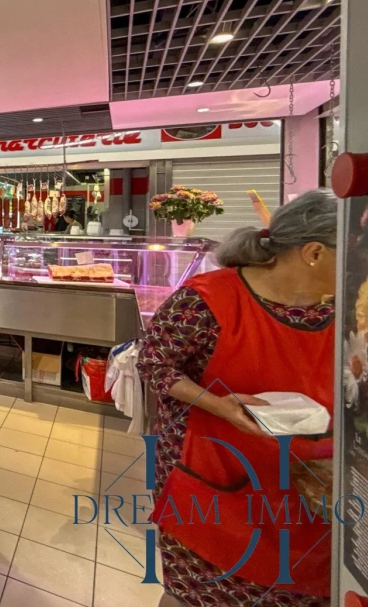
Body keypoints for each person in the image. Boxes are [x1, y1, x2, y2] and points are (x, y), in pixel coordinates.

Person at [138, 190, 337, 607]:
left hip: (314, 484)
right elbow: (155, 363)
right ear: (314, 252)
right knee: (205, 590)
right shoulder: (209, 298)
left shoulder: (348, 307)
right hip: (213, 470)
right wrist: (221, 405)